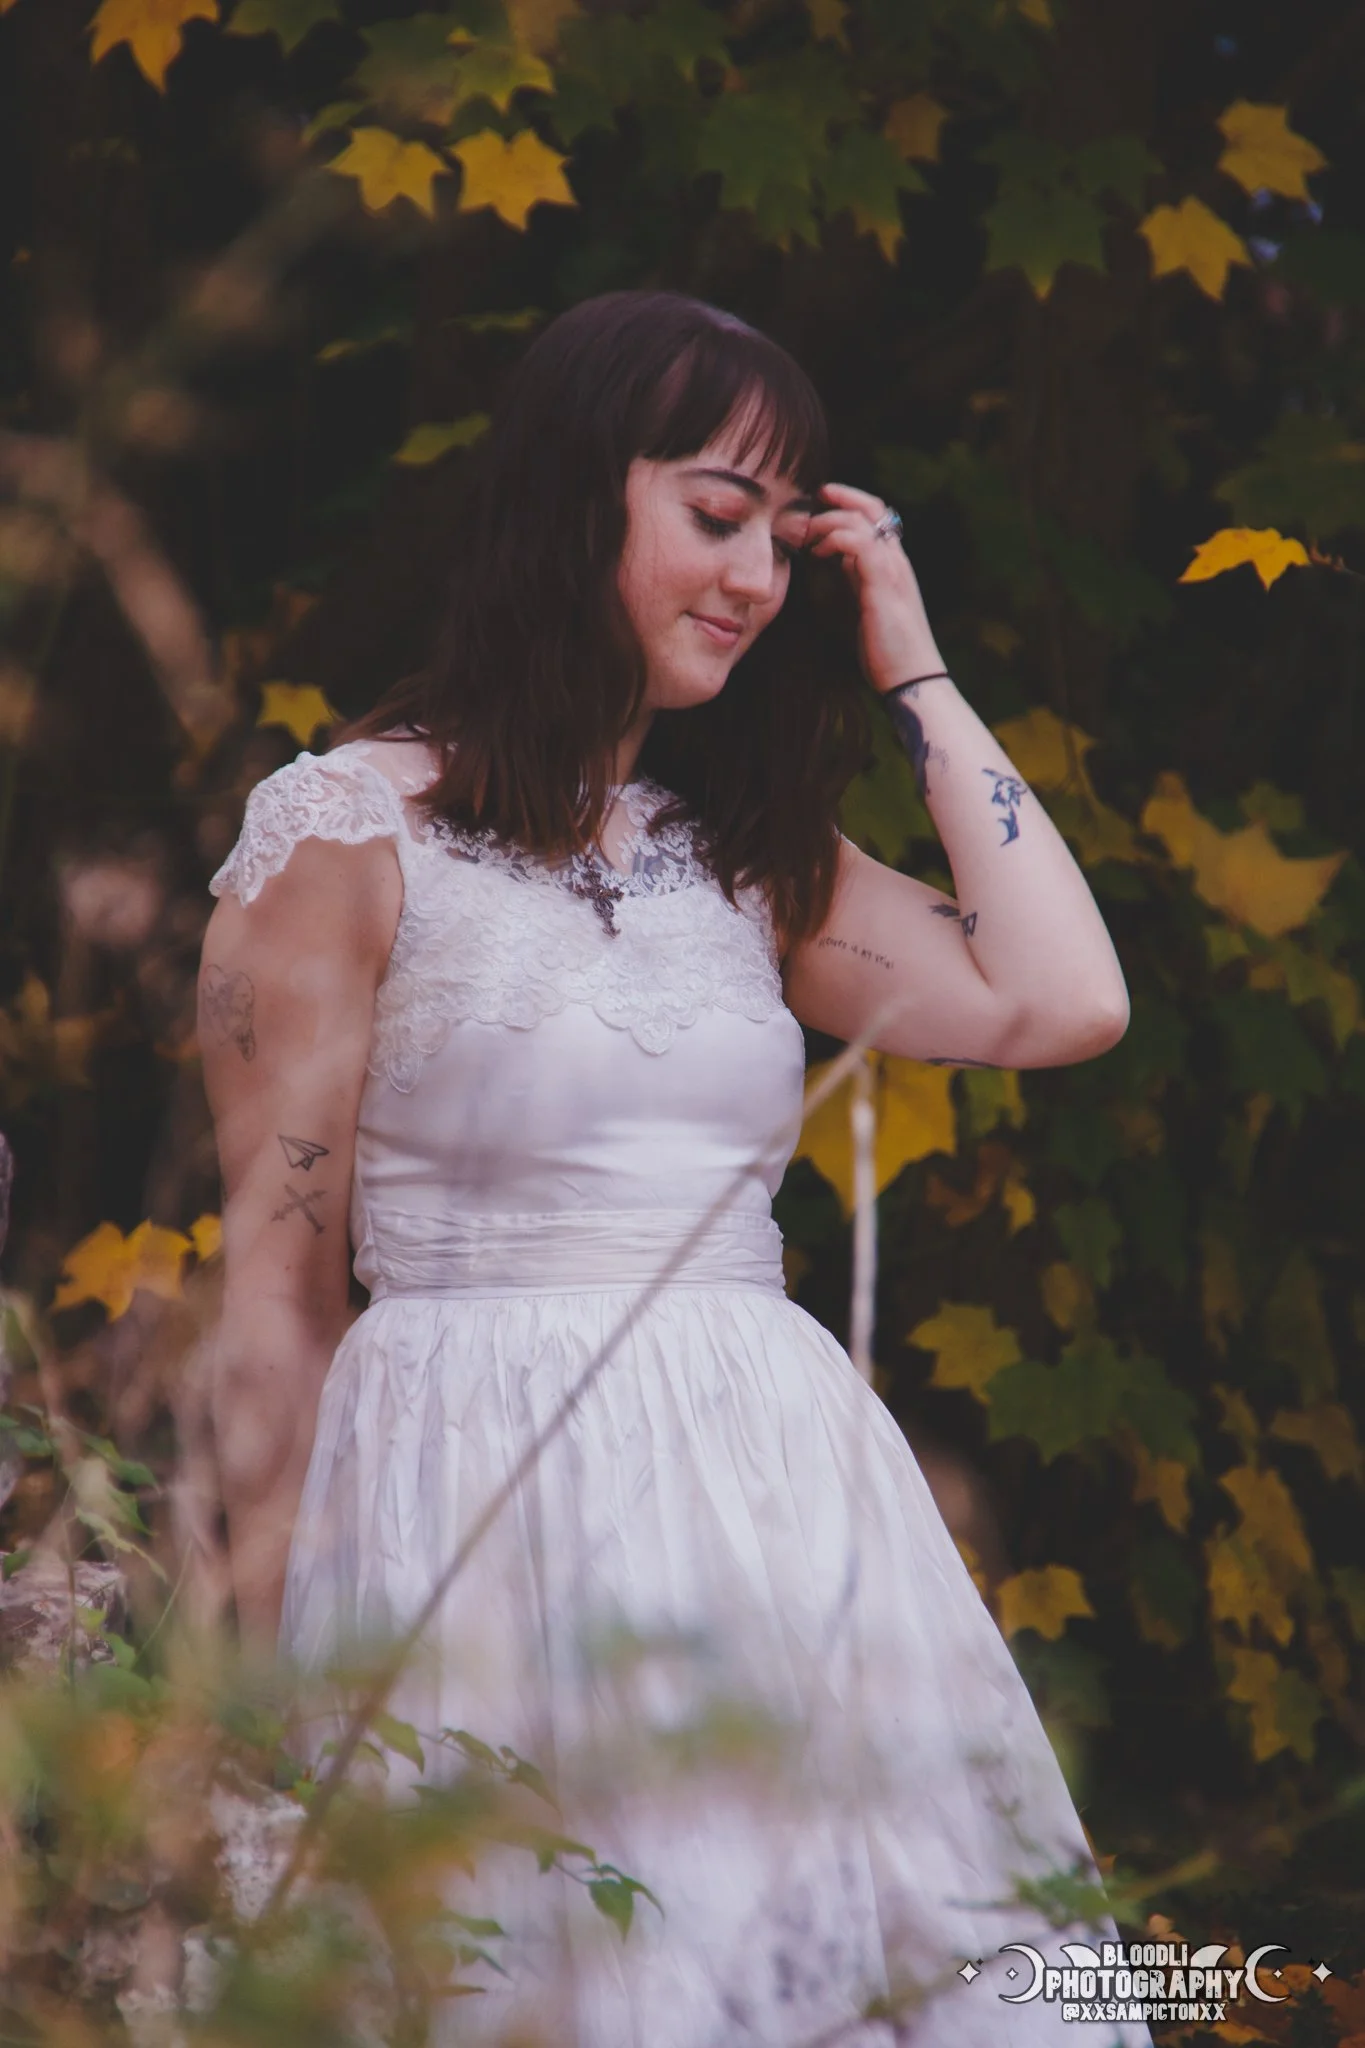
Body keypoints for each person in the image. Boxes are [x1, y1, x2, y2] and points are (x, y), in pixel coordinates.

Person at [198, 289, 1152, 2046]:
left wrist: (916, 671)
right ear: (576, 498)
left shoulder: (740, 860)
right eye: (717, 517)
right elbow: (274, 1290)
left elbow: (1064, 997)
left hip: (779, 1505)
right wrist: (278, 1690)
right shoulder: (342, 834)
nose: (757, 578)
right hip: (476, 1504)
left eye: (781, 541)